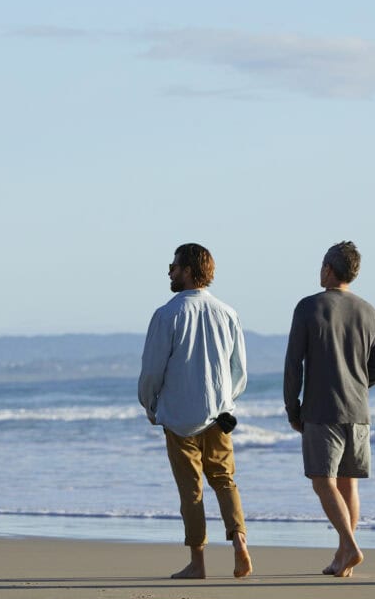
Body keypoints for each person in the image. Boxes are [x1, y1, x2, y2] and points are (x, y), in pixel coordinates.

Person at [138, 243, 253, 580]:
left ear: (187, 270)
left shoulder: (166, 314)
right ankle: (240, 542)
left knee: (191, 491)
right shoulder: (228, 313)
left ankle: (198, 562)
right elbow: (239, 371)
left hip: (178, 416)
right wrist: (226, 400)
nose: (170, 271)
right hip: (218, 415)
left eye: (173, 266)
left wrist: (149, 403)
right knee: (225, 481)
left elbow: (152, 370)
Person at [283, 241, 375, 578]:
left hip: (322, 409)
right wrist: (356, 386)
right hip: (358, 411)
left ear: (329, 268)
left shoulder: (308, 307)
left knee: (322, 481)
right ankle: (343, 557)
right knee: (349, 485)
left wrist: (292, 406)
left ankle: (351, 546)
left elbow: (293, 365)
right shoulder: (369, 311)